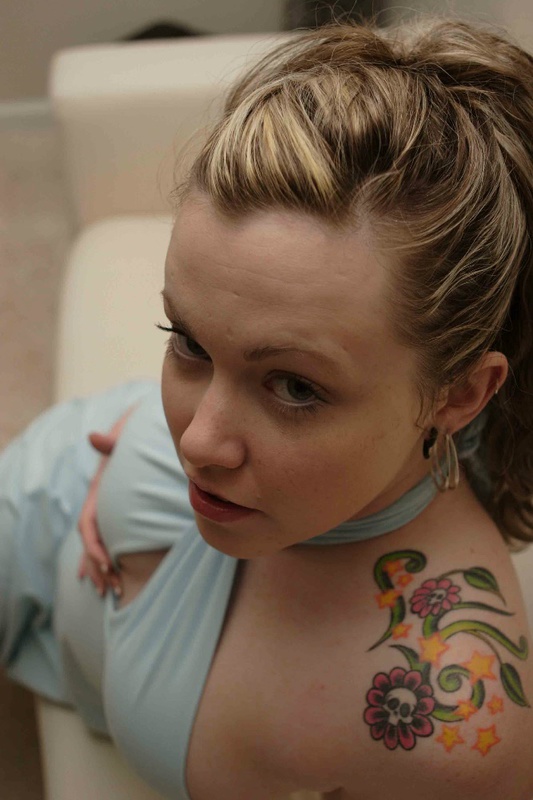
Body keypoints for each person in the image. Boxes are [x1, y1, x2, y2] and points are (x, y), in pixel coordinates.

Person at [2, 15, 533, 800]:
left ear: (457, 396)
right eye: (188, 341)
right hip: (57, 475)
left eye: (294, 387)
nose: (195, 444)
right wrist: (128, 442)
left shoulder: (447, 728)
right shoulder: (231, 435)